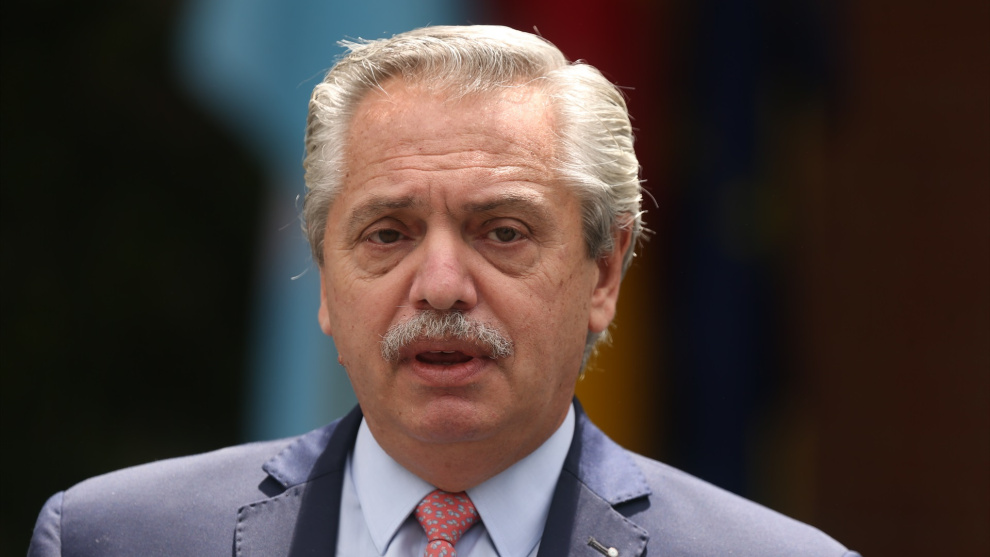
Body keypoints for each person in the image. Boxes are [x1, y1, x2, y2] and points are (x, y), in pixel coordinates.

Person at [28, 25, 859, 557]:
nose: (440, 286)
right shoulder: (114, 538)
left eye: (502, 231)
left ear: (604, 273)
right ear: (324, 277)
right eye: (388, 233)